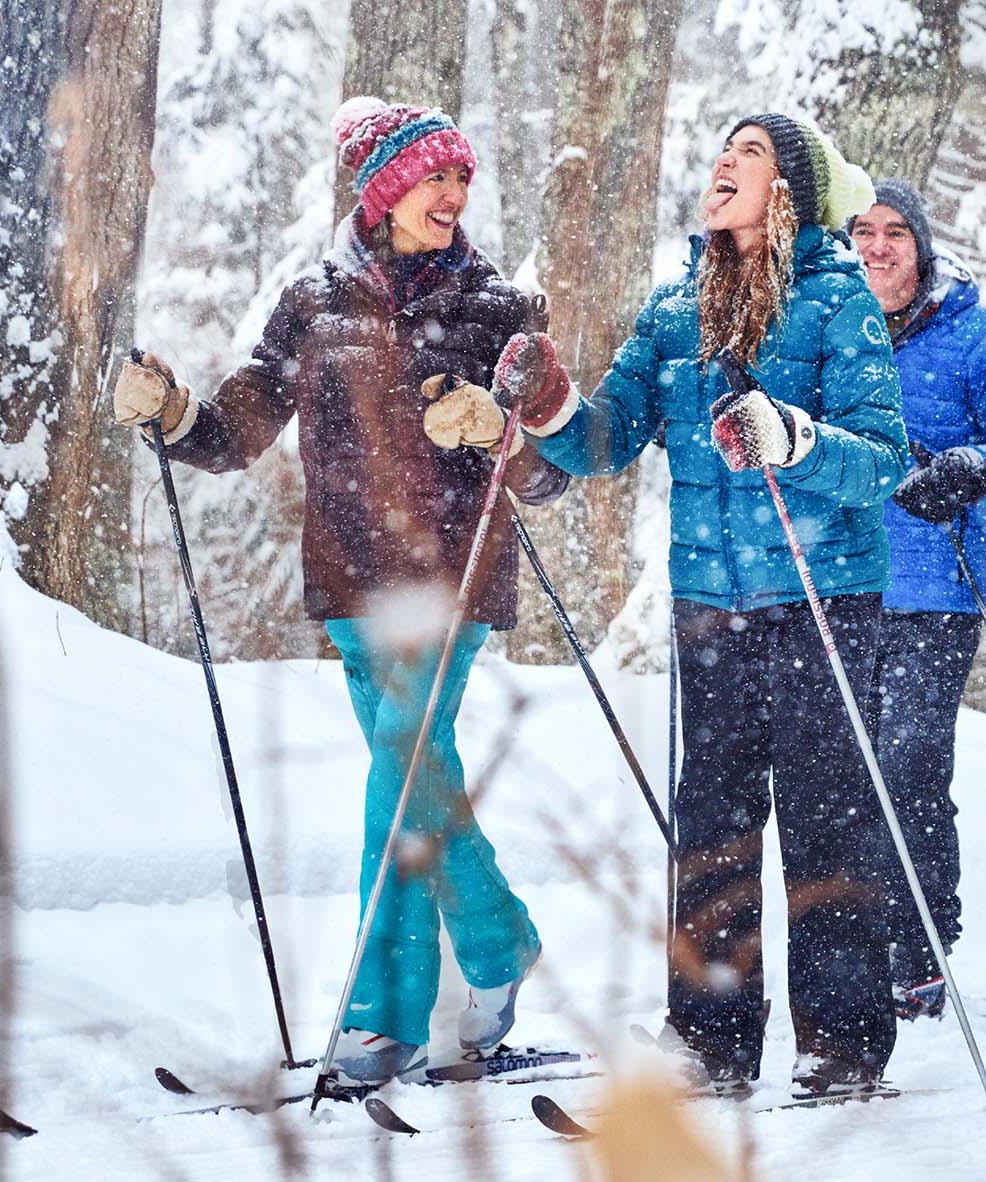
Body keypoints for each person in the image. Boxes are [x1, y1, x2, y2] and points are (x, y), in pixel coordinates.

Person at [111, 98, 567, 1086]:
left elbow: (549, 473)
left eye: (461, 179)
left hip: (454, 578)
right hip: (352, 583)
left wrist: (498, 427)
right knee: (421, 780)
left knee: (401, 774)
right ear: (385, 186)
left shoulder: (500, 309)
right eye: (433, 175)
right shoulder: (314, 301)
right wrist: (177, 412)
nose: (451, 194)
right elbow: (239, 427)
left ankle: (380, 1018)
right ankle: (498, 948)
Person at [497, 111, 911, 1095]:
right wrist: (550, 402)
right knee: (713, 825)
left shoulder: (836, 296)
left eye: (751, 153)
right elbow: (605, 438)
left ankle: (843, 1048)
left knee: (826, 819)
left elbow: (883, 459)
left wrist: (793, 438)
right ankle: (712, 1048)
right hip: (711, 608)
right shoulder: (676, 308)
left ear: (791, 194)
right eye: (723, 149)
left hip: (822, 598)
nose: (724, 162)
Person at [847, 179, 986, 1019]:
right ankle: (854, 947)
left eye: (895, 233)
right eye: (863, 233)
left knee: (910, 765)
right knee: (845, 777)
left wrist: (975, 471)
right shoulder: (831, 330)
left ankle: (920, 946)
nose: (879, 248)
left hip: (941, 589)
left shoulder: (976, 337)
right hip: (843, 583)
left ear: (920, 247)